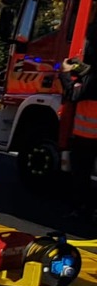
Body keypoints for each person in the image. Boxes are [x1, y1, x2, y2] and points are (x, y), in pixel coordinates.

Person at [61, 53, 97, 217]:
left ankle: (83, 208)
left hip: (87, 137)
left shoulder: (92, 80)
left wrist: (65, 73)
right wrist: (82, 68)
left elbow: (73, 94)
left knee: (81, 174)